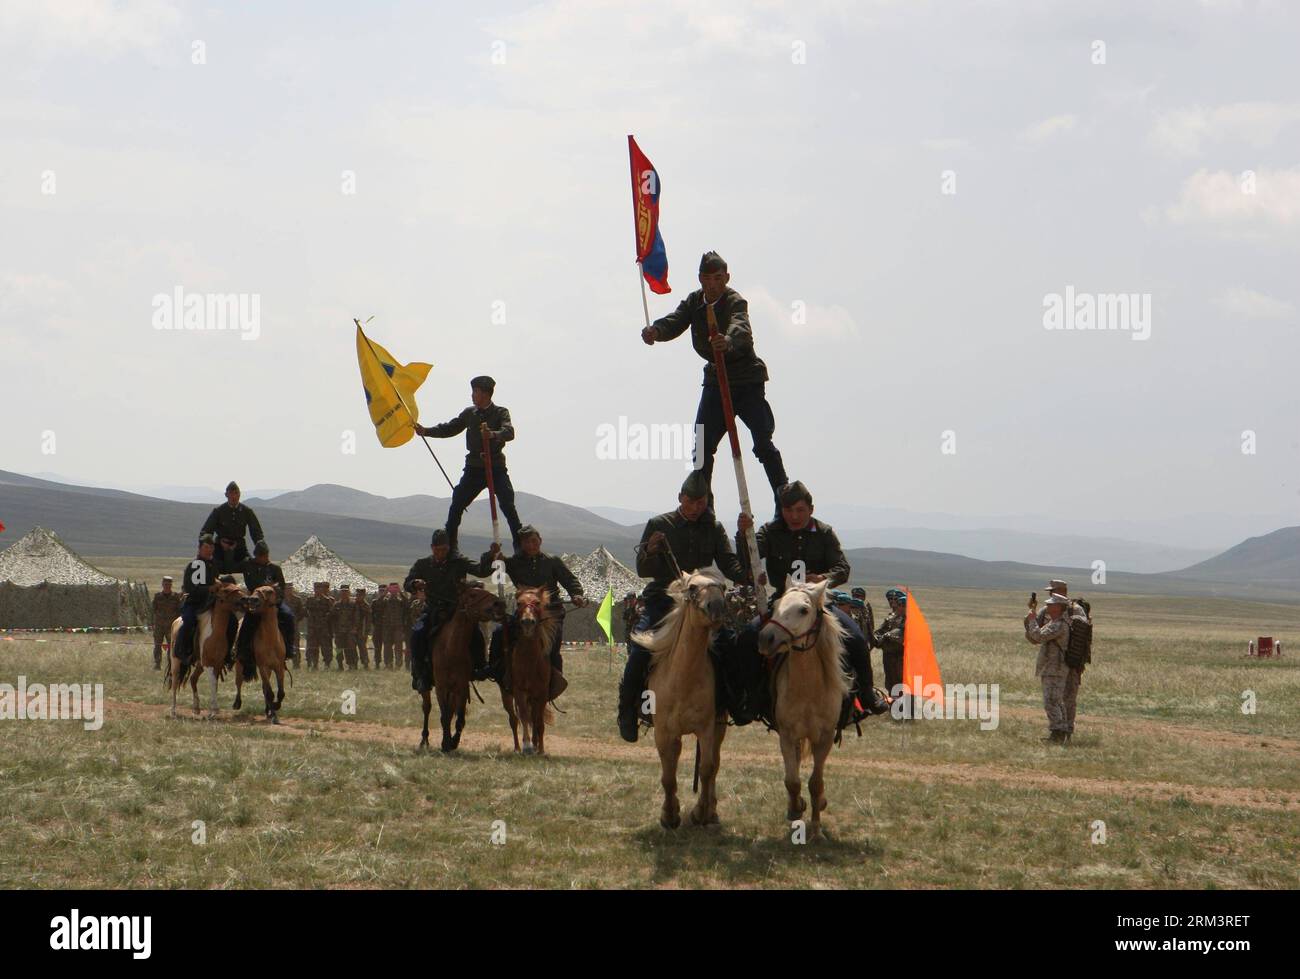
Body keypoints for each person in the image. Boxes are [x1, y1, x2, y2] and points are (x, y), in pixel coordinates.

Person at [641, 251, 788, 516]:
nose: (712, 284)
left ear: (726, 278)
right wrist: (656, 331)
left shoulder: (735, 301)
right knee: (701, 448)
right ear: (700, 279)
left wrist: (728, 342)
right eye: (707, 279)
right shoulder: (694, 302)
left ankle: (785, 503)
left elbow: (740, 327)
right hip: (715, 383)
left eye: (718, 278)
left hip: (746, 381)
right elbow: (675, 320)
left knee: (763, 443)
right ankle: (703, 509)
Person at [733, 480, 889, 724]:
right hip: (782, 603)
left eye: (800, 510)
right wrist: (744, 534)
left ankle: (867, 693)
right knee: (747, 638)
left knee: (857, 638)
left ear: (811, 509)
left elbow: (843, 567)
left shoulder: (824, 533)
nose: (794, 516)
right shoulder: (768, 531)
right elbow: (747, 556)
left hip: (818, 604)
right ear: (781, 510)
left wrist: (824, 578)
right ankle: (752, 697)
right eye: (788, 510)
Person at [617, 470, 747, 743]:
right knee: (640, 649)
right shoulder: (659, 524)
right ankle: (628, 710)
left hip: (701, 603)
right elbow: (642, 569)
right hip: (663, 600)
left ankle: (731, 703)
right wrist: (651, 551)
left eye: (701, 502)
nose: (696, 507)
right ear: (681, 498)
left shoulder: (713, 528)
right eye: (692, 501)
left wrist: (746, 549)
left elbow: (730, 565)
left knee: (729, 646)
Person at [414, 376, 523, 554]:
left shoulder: (501, 412)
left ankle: (521, 548)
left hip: (495, 468)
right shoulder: (469, 413)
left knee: (508, 507)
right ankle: (450, 549)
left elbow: (509, 432)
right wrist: (426, 431)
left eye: (476, 392)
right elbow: (449, 428)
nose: (472, 395)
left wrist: (493, 435)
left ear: (486, 394)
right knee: (456, 505)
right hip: (474, 469)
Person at [482, 525, 586, 700]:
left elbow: (570, 581)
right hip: (524, 613)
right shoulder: (513, 563)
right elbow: (489, 568)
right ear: (521, 544)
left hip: (550, 614)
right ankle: (496, 671)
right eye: (526, 542)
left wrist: (577, 594)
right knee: (500, 634)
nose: (531, 545)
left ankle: (554, 680)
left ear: (540, 541)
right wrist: (491, 554)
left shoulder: (552, 561)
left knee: (552, 646)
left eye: (534, 541)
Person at [404, 529, 492, 693]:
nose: (441, 553)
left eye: (444, 550)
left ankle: (480, 667)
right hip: (433, 610)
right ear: (432, 548)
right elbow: (407, 582)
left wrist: (490, 556)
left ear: (449, 548)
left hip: (456, 610)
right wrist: (415, 583)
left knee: (477, 634)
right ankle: (420, 675)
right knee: (417, 634)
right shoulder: (422, 564)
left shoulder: (459, 562)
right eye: (437, 550)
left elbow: (481, 570)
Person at [173, 533, 236, 670]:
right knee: (188, 621)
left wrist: (221, 582)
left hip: (210, 602)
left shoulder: (213, 564)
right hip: (194, 603)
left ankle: (228, 653)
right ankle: (182, 652)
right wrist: (210, 588)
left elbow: (213, 578)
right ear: (200, 549)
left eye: (211, 547)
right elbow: (190, 588)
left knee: (232, 620)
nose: (209, 550)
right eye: (206, 547)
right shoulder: (194, 566)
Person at [232, 540, 294, 674]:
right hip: (255, 603)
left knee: (289, 616)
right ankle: (242, 651)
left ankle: (288, 648)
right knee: (246, 624)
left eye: (266, 555)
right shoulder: (248, 566)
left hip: (272, 603)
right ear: (256, 556)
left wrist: (276, 602)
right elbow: (234, 566)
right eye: (261, 556)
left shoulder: (275, 569)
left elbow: (281, 588)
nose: (265, 558)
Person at [1024, 592, 1071, 743]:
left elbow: (1038, 636)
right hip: (1053, 667)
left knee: (1051, 701)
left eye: (1051, 604)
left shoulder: (1059, 625)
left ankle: (1057, 733)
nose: (1048, 606)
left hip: (1055, 668)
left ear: (1059, 607)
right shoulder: (1056, 622)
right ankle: (1061, 731)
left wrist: (1032, 619)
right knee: (1056, 701)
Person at [201, 481, 265, 574]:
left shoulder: (246, 511)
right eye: (231, 493)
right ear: (226, 495)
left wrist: (261, 549)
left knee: (253, 566)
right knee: (209, 567)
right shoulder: (218, 511)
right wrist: (207, 548)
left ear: (240, 494)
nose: (234, 496)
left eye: (236, 493)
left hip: (239, 549)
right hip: (220, 549)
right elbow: (206, 532)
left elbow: (257, 533)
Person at [873, 588, 908, 715]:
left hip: (900, 655)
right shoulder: (891, 617)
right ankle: (894, 707)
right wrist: (876, 638)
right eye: (891, 600)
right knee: (890, 682)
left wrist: (887, 636)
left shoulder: (908, 619)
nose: (893, 603)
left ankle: (903, 709)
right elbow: (880, 631)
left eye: (896, 601)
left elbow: (901, 634)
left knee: (901, 682)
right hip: (888, 654)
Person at [150, 576, 182, 670]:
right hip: (159, 626)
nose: (167, 586)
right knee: (157, 645)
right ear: (162, 584)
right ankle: (157, 664)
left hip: (171, 626)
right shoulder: (157, 596)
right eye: (165, 584)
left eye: (169, 584)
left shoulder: (175, 597)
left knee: (171, 646)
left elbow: (179, 611)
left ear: (171, 585)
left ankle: (170, 664)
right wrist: (153, 622)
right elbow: (153, 610)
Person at [304, 581, 334, 670]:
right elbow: (305, 611)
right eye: (316, 588)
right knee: (313, 646)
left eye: (320, 588)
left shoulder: (327, 600)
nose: (318, 590)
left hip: (323, 628)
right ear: (314, 589)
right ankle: (314, 664)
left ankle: (327, 664)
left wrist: (325, 619)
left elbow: (331, 613)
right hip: (312, 628)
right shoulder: (309, 600)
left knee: (325, 647)